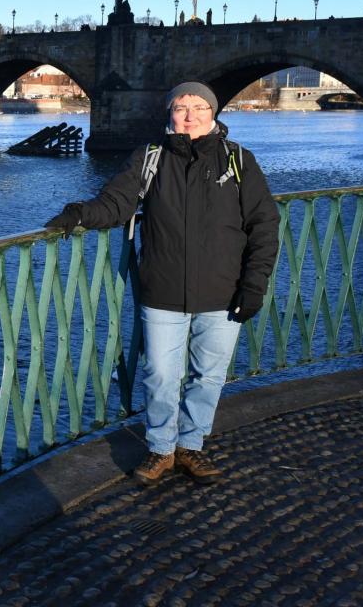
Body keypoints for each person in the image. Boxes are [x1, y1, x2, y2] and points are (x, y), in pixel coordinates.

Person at [46, 82, 279, 486]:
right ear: (170, 113)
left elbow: (264, 225)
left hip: (224, 291)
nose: (190, 115)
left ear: (213, 112)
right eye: (181, 107)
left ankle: (191, 445)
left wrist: (253, 285)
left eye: (199, 107)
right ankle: (160, 448)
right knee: (159, 375)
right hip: (163, 288)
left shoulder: (239, 160)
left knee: (208, 375)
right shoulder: (150, 157)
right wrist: (79, 213)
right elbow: (116, 203)